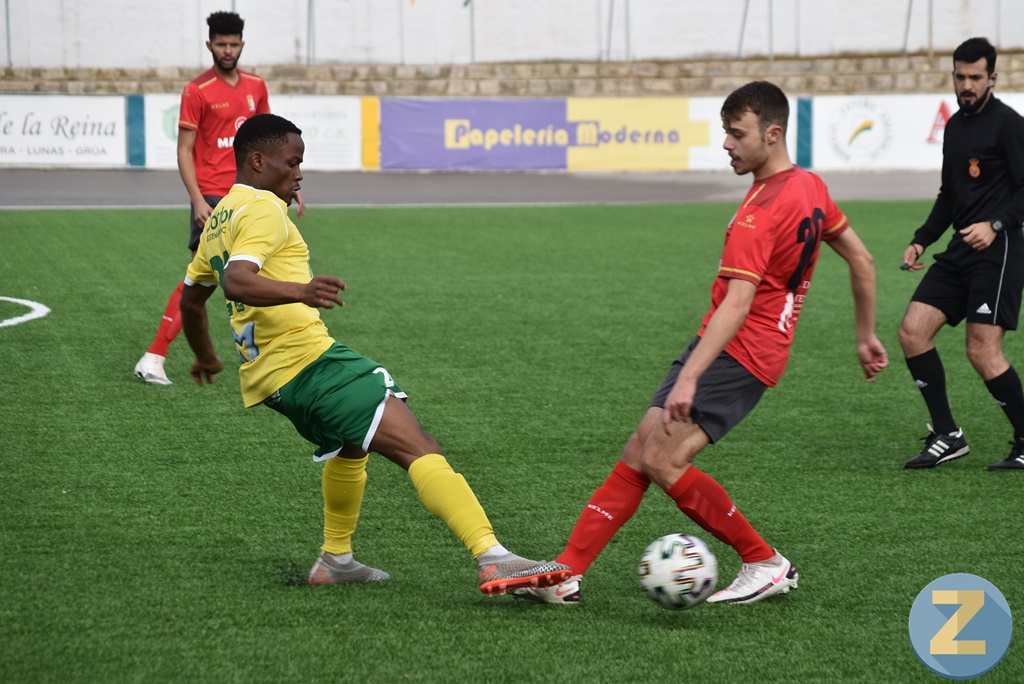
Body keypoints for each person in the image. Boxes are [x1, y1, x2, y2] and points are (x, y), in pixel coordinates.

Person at [515, 80, 889, 606]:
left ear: (773, 134)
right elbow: (863, 259)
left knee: (665, 460)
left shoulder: (758, 215)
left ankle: (765, 562)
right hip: (727, 342)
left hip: (743, 350)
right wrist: (865, 334)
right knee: (641, 449)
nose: (727, 145)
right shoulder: (810, 186)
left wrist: (690, 376)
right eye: (725, 133)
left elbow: (738, 303)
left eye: (737, 135)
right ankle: (568, 572)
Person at [178, 113, 571, 595]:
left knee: (352, 445)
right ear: (259, 160)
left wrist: (207, 357)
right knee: (418, 444)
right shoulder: (262, 211)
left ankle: (335, 559)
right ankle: (494, 558)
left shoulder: (221, 215)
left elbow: (192, 300)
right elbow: (237, 279)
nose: (299, 173)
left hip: (273, 380)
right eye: (292, 162)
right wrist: (301, 291)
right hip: (309, 365)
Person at [135, 10, 304, 385]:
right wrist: (196, 198)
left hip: (251, 193)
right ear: (209, 44)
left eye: (233, 43)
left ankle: (273, 350)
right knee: (203, 273)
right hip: (213, 193)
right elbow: (184, 150)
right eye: (220, 43)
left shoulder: (255, 86)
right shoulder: (196, 91)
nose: (227, 50)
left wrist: (294, 187)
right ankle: (155, 355)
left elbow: (271, 144)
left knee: (224, 272)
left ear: (242, 44)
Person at [899, 37, 1024, 472]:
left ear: (992, 77)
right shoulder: (954, 127)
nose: (966, 85)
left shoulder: (1010, 125)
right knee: (913, 331)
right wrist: (922, 239)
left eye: (975, 77)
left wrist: (995, 225)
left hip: (1000, 249)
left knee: (982, 351)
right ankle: (948, 434)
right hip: (958, 251)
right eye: (960, 76)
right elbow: (949, 195)